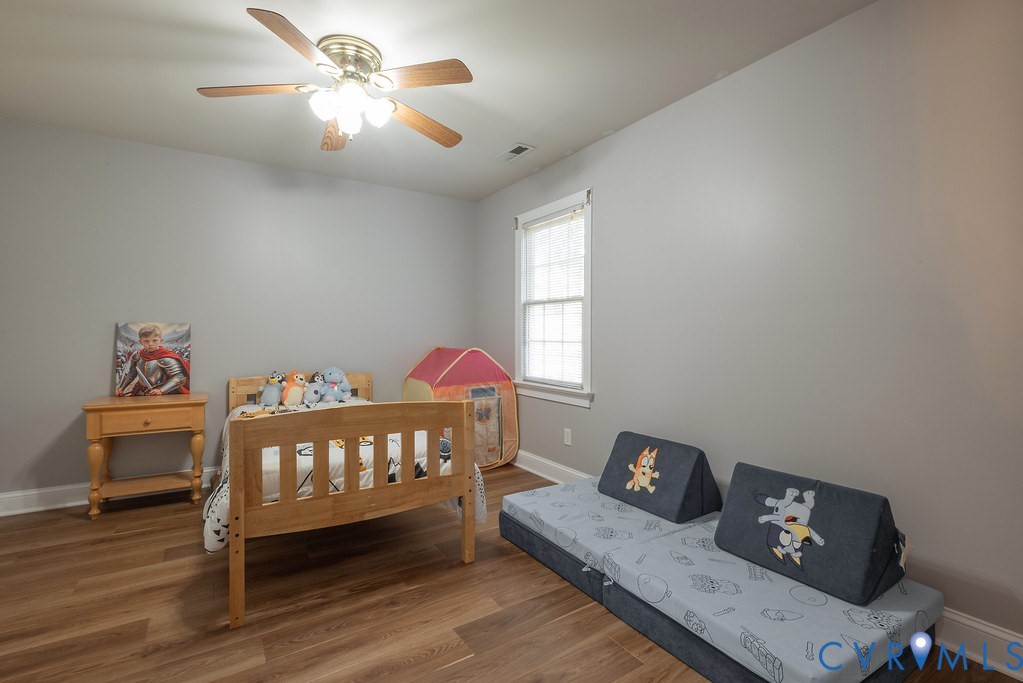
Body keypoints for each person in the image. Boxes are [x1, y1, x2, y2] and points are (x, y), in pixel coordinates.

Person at [116, 324, 190, 396]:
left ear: (161, 340)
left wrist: (162, 390)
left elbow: (179, 377)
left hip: (158, 391)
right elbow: (131, 374)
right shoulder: (137, 355)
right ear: (140, 342)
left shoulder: (165, 357)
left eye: (154, 340)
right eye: (146, 341)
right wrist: (121, 389)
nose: (150, 344)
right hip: (139, 390)